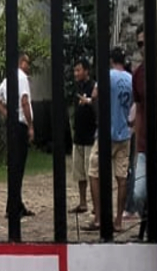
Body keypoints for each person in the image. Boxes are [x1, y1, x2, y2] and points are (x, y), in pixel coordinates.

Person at [85, 48, 134, 233]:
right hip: (124, 132)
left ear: (112, 60)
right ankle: (119, 220)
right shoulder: (130, 79)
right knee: (122, 178)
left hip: (106, 132)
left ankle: (98, 217)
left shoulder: (107, 76)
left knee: (94, 171)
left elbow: (95, 95)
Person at [0, 53, 35, 219]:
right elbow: (24, 101)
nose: (28, 66)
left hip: (12, 124)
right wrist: (30, 126)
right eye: (27, 62)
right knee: (19, 166)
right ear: (21, 62)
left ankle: (16, 203)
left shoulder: (9, 78)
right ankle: (13, 206)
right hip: (20, 124)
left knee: (14, 166)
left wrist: (6, 113)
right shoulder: (22, 78)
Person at [70, 59, 97, 215]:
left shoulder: (94, 86)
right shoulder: (77, 87)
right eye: (75, 70)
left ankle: (95, 204)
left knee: (91, 171)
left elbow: (97, 105)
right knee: (79, 172)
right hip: (78, 135)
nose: (76, 73)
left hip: (90, 136)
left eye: (78, 70)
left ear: (86, 71)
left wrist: (89, 102)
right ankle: (82, 202)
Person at [131, 26, 151, 237]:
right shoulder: (137, 75)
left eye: (145, 42)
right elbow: (138, 110)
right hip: (145, 146)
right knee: (138, 194)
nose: (143, 47)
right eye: (139, 44)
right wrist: (138, 143)